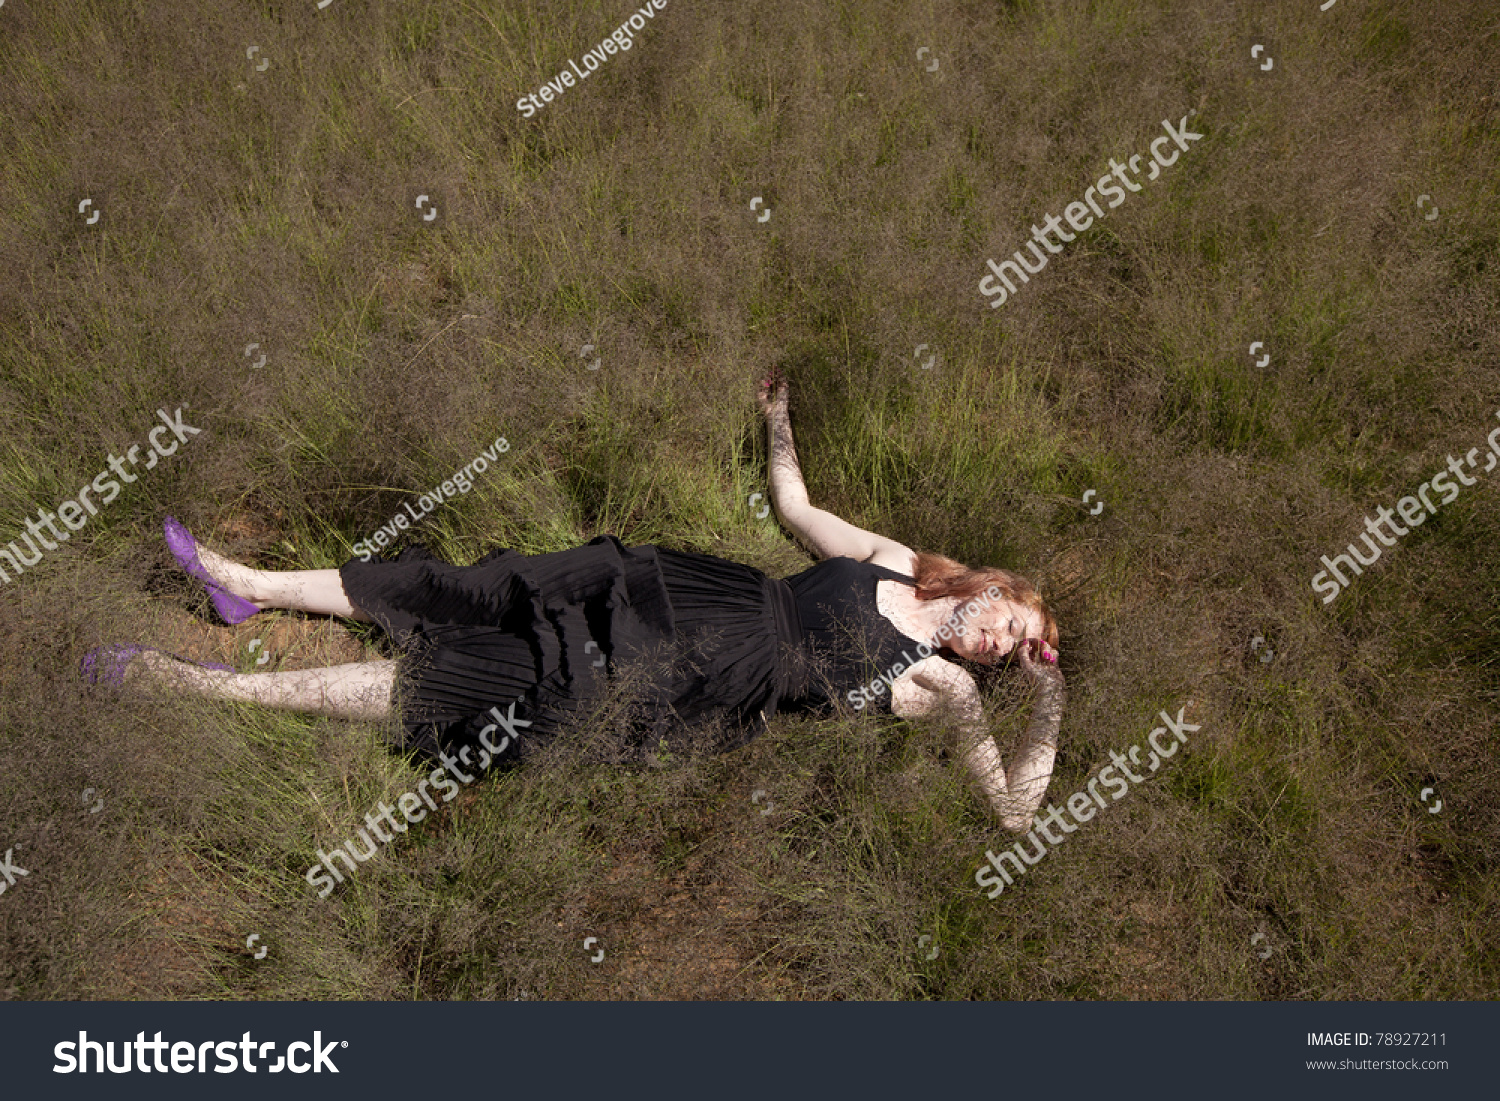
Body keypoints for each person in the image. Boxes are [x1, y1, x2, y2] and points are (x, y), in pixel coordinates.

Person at [82, 373, 1065, 832]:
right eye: (1009, 618)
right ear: (991, 586)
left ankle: (190, 686)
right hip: (685, 587)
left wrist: (1047, 698)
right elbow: (795, 506)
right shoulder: (895, 562)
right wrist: (777, 419)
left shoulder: (942, 687)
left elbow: (1017, 812)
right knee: (479, 586)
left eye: (1008, 646)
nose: (995, 640)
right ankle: (241, 585)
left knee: (459, 681)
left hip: (693, 679)